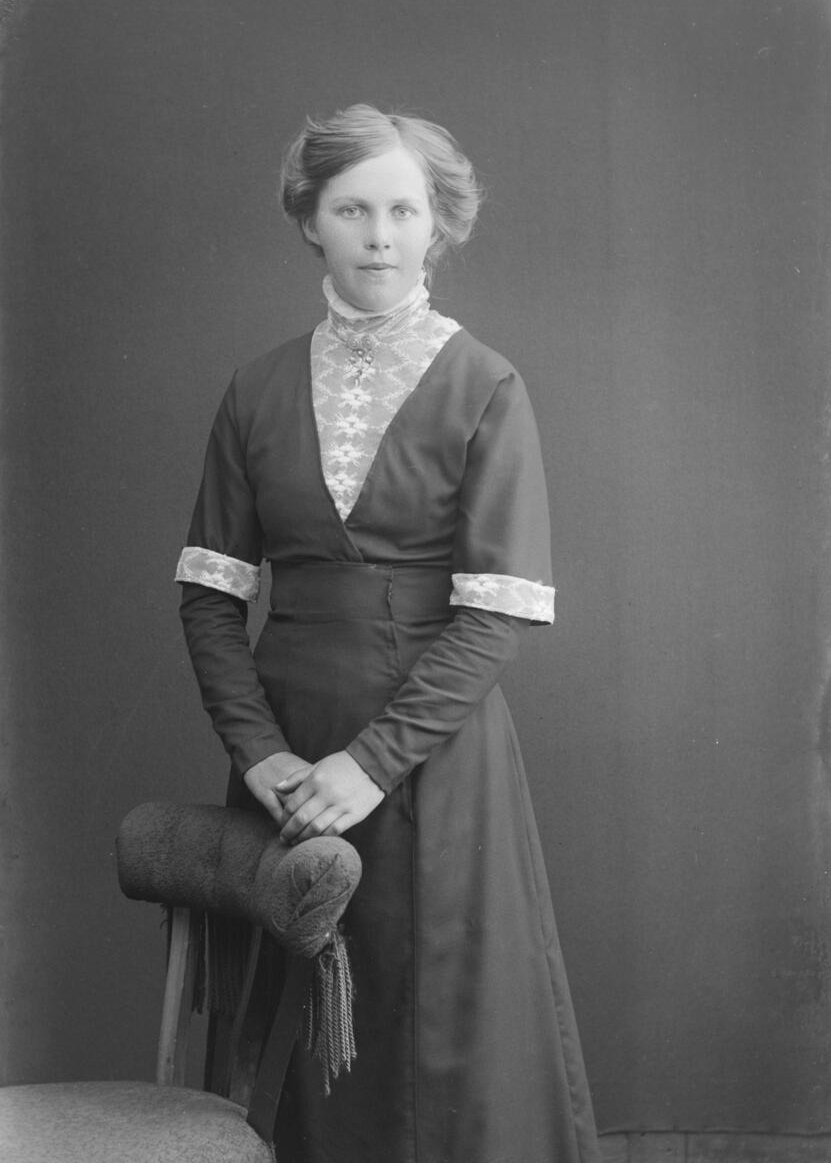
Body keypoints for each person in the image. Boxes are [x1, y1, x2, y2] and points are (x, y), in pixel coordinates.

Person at [176, 103, 600, 1163]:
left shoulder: (485, 384)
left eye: (403, 211)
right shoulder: (256, 388)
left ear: (437, 224)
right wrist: (261, 754)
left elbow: (494, 616)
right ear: (309, 221)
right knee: (294, 1035)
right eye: (351, 209)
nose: (378, 236)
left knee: (434, 1035)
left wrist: (370, 765)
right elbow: (212, 597)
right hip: (283, 754)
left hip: (431, 756)